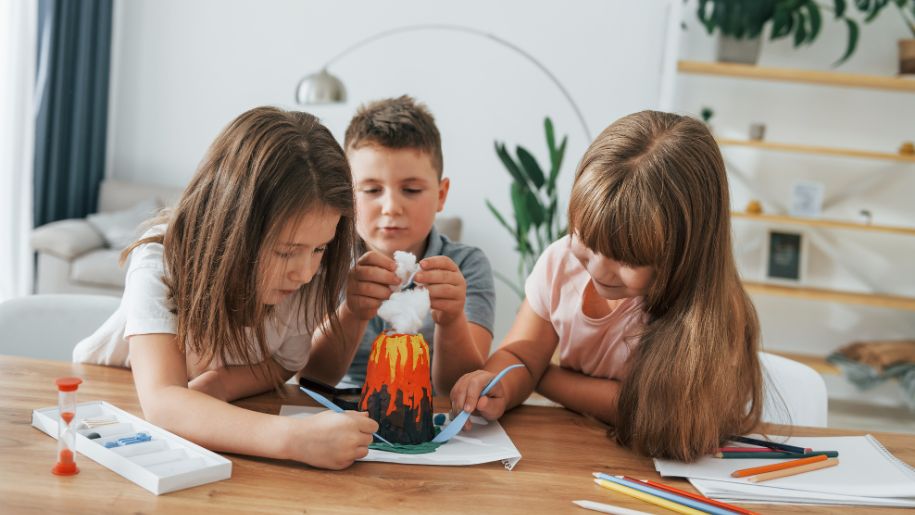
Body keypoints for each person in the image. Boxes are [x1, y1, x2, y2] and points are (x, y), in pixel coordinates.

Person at [73, 107, 378, 470]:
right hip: (100, 405)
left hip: (197, 431)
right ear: (231, 227)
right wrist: (294, 438)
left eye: (320, 248)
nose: (306, 272)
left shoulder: (310, 278)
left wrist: (221, 384)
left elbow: (283, 363)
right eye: (286, 251)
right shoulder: (161, 260)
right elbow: (163, 402)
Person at [448, 110, 764, 461]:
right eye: (586, 238)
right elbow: (519, 357)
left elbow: (659, 412)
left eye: (626, 258)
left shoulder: (715, 311)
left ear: (683, 253)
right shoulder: (561, 264)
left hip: (649, 469)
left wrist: (540, 376)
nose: (599, 269)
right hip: (570, 457)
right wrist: (496, 385)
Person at [301, 95, 495, 393]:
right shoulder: (321, 257)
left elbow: (459, 389)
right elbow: (312, 378)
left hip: (428, 408)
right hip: (338, 408)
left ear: (441, 195)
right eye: (371, 190)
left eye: (411, 189)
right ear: (346, 194)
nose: (391, 207)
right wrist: (353, 312)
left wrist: (452, 320)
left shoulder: (467, 267)